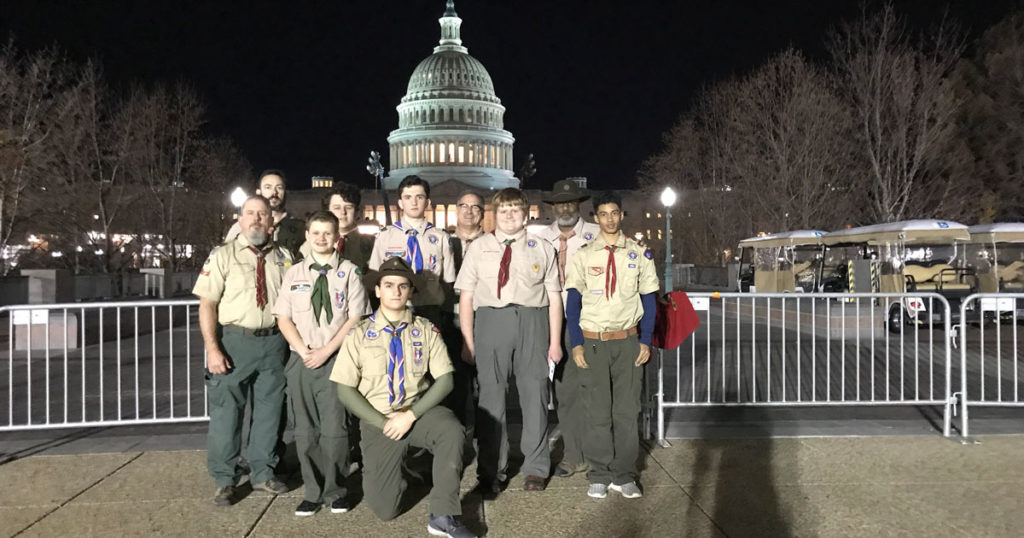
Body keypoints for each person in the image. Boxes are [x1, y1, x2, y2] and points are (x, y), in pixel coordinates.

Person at [330, 257, 474, 538]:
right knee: (385, 510)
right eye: (389, 285)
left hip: (417, 412)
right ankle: (404, 472)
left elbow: (445, 381)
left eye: (403, 286)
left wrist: (410, 415)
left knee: (451, 430)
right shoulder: (359, 333)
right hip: (379, 419)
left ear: (410, 291)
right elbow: (344, 390)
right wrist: (383, 421)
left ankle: (443, 514)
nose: (396, 291)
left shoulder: (425, 330)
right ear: (378, 291)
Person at [455, 188, 562, 493]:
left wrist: (555, 342)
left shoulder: (541, 247)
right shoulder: (480, 247)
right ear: (495, 213)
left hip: (533, 320)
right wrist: (468, 340)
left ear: (525, 212)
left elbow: (554, 297)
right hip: (491, 320)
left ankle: (536, 467)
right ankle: (492, 470)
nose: (510, 216)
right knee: (491, 398)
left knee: (535, 394)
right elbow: (467, 296)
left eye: (515, 210)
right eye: (504, 211)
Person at [193, 195, 292, 506]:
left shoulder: (285, 258)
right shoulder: (222, 256)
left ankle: (263, 472)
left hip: (274, 342)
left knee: (269, 413)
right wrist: (212, 347)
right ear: (239, 219)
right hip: (235, 342)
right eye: (250, 214)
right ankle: (225, 478)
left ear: (272, 221)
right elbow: (207, 304)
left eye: (262, 214)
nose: (256, 220)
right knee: (227, 413)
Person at [273, 211, 370, 516]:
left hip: (336, 358)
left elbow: (355, 318)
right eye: (315, 232)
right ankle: (313, 492)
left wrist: (326, 351)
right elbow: (283, 317)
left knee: (335, 429)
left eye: (327, 233)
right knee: (305, 430)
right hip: (302, 358)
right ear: (307, 235)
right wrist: (303, 350)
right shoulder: (294, 273)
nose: (321, 238)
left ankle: (336, 490)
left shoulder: (350, 273)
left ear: (337, 237)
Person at [563, 191, 659, 500]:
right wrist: (576, 344)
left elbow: (650, 301)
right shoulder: (584, 255)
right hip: (594, 342)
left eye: (614, 213)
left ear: (621, 215)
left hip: (628, 340)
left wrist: (645, 340)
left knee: (627, 411)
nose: (609, 219)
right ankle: (599, 473)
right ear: (595, 217)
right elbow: (573, 304)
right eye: (603, 214)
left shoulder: (638, 254)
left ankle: (625, 474)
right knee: (597, 411)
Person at [535, 179, 601, 479]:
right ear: (552, 207)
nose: (565, 207)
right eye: (560, 203)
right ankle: (575, 455)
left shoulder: (597, 234)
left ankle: (598, 454)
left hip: (589, 320)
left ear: (579, 205)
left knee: (596, 389)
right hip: (553, 321)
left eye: (570, 202)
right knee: (566, 392)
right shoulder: (537, 238)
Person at [443, 190, 486, 425]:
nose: (469, 211)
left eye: (475, 207)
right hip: (450, 320)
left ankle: (486, 447)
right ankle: (455, 444)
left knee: (485, 388)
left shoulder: (494, 244)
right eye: (464, 206)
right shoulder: (442, 241)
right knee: (453, 386)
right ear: (456, 209)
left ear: (482, 213)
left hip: (483, 320)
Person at [226, 170, 305, 260]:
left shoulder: (300, 228)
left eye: (279, 188)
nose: (274, 192)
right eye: (268, 187)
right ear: (258, 192)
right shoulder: (240, 227)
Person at [299, 182, 374, 271]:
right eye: (337, 208)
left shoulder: (372, 244)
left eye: (349, 207)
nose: (343, 212)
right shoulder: (311, 245)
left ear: (357, 212)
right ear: (327, 211)